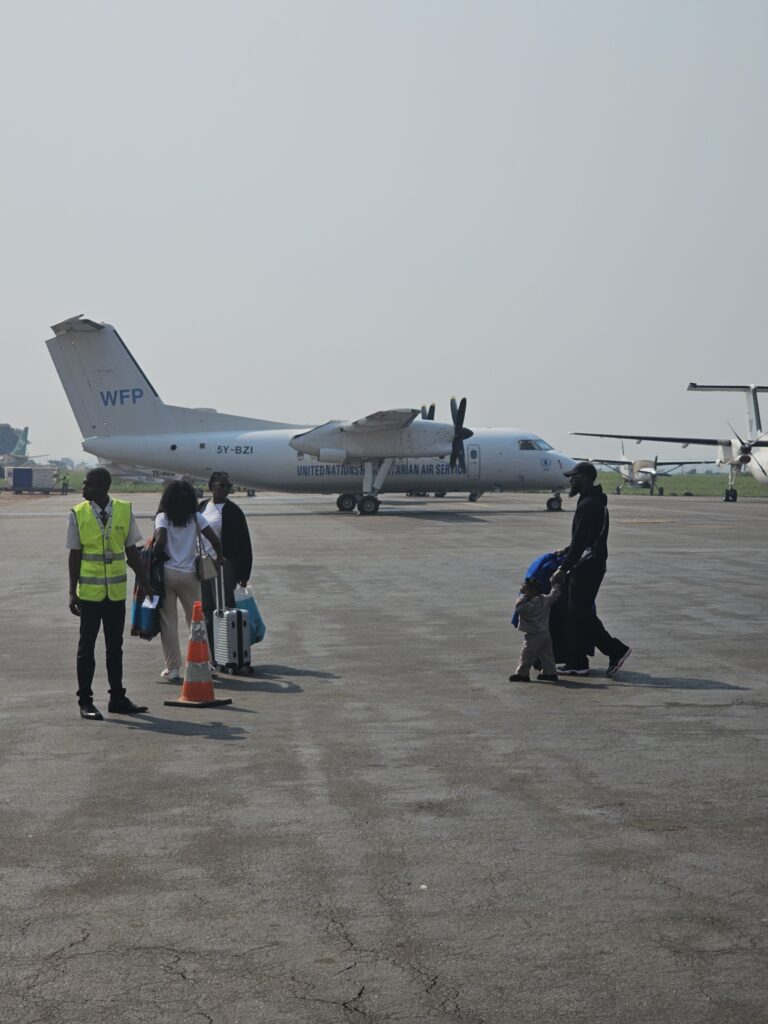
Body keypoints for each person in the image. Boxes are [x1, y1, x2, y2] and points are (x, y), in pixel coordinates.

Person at [67, 467, 154, 720]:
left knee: (115, 647)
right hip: (90, 596)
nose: (83, 489)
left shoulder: (124, 510)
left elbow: (132, 551)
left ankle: (117, 697)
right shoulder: (78, 514)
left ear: (104, 487)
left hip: (115, 594)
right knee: (87, 648)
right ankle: (85, 701)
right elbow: (75, 554)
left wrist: (146, 583)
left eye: (88, 484)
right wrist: (72, 592)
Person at [550, 462, 631, 677]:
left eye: (574, 477)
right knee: (575, 613)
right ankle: (577, 661)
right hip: (586, 564)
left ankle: (616, 650)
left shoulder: (590, 504)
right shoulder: (589, 501)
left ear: (584, 478)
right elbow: (583, 538)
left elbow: (582, 542)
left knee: (581, 613)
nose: (571, 481)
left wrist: (563, 568)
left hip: (587, 566)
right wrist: (565, 550)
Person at [153, 481, 222, 681]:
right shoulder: (197, 518)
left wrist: (152, 551)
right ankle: (206, 662)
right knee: (196, 621)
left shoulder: (162, 518)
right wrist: (219, 560)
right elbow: (215, 540)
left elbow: (161, 541)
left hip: (167, 574)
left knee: (168, 623)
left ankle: (173, 668)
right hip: (190, 575)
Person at [198, 471, 253, 654]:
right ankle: (211, 652)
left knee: (224, 607)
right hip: (204, 562)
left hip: (224, 564)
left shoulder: (234, 511)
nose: (225, 489)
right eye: (222, 485)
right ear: (212, 486)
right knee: (206, 608)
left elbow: (245, 543)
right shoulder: (202, 507)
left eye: (228, 486)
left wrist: (244, 574)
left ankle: (228, 650)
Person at [509, 575, 562, 683]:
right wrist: (555, 585)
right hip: (545, 633)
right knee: (547, 655)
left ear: (531, 591)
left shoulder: (528, 605)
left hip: (534, 635)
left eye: (525, 589)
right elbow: (554, 595)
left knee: (527, 655)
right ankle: (550, 673)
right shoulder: (545, 599)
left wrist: (522, 596)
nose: (523, 591)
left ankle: (522, 674)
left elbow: (519, 608)